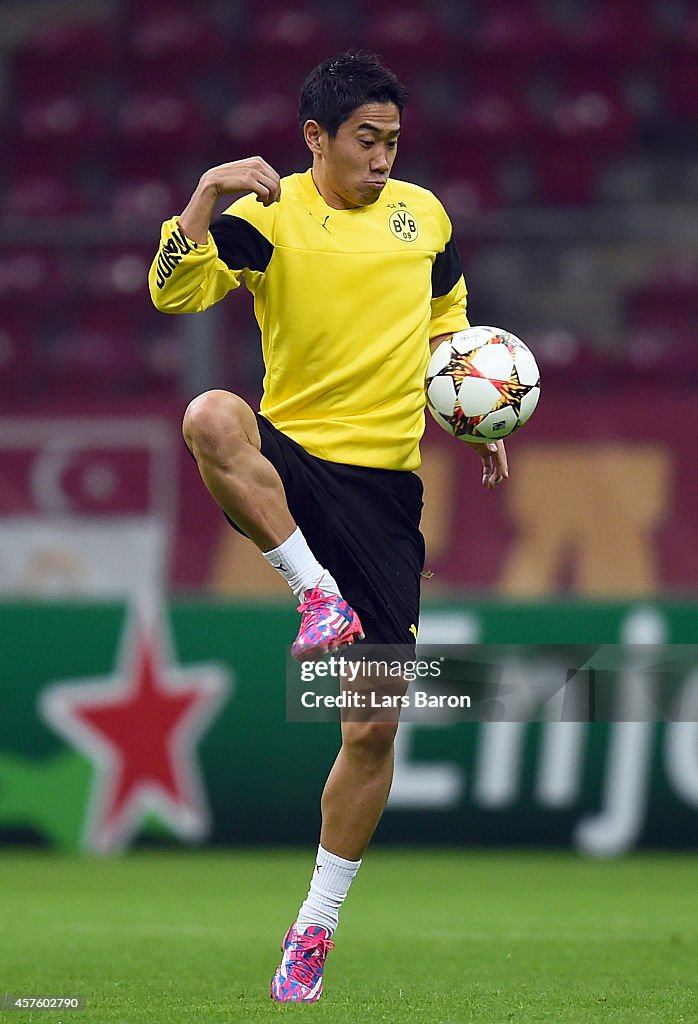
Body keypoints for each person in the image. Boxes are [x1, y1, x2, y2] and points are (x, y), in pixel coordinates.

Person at [148, 50, 508, 1003]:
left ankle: (314, 926)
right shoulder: (269, 216)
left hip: (386, 492)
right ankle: (312, 594)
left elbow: (448, 320)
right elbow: (171, 292)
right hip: (296, 462)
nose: (383, 158)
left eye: (392, 140)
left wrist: (475, 414)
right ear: (315, 138)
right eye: (364, 140)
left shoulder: (424, 216)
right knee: (211, 416)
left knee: (372, 729)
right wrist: (205, 191)